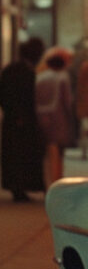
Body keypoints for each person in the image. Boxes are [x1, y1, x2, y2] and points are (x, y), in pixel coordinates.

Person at [0, 37, 45, 201]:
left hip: (13, 120)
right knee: (20, 156)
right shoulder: (25, 72)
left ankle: (17, 188)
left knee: (15, 157)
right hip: (21, 121)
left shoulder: (11, 70)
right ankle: (19, 188)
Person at [35, 49, 76, 187]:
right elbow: (67, 101)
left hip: (42, 117)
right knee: (58, 152)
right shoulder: (63, 77)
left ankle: (50, 181)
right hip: (59, 118)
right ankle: (57, 180)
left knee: (49, 151)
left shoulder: (40, 77)